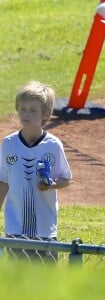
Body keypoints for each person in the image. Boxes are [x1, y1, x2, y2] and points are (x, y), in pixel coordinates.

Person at [0, 80, 72, 262]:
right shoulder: (9, 144)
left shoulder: (53, 145)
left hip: (45, 228)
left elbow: (66, 179)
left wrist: (50, 185)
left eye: (33, 110)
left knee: (44, 283)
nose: (26, 114)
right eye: (22, 109)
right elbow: (3, 181)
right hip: (15, 227)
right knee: (18, 282)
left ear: (45, 116)